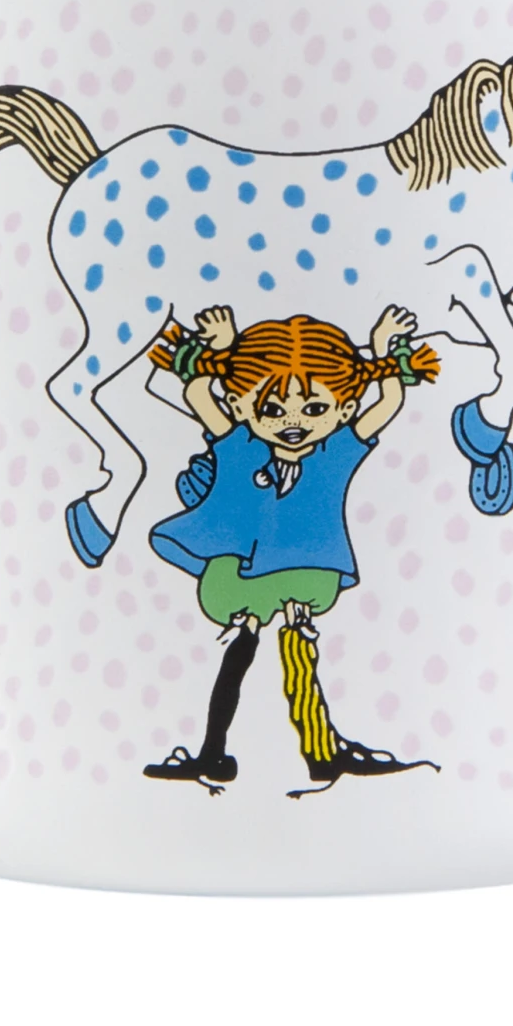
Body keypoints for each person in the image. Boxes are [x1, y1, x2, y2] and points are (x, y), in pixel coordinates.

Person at [142, 305, 442, 795]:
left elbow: (388, 400)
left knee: (298, 650)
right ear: (240, 405)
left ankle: (320, 754)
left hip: (306, 569)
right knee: (240, 650)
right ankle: (213, 752)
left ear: (344, 409)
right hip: (242, 573)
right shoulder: (239, 445)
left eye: (315, 410)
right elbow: (197, 392)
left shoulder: (336, 451)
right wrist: (225, 348)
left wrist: (382, 348)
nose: (293, 423)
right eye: (273, 410)